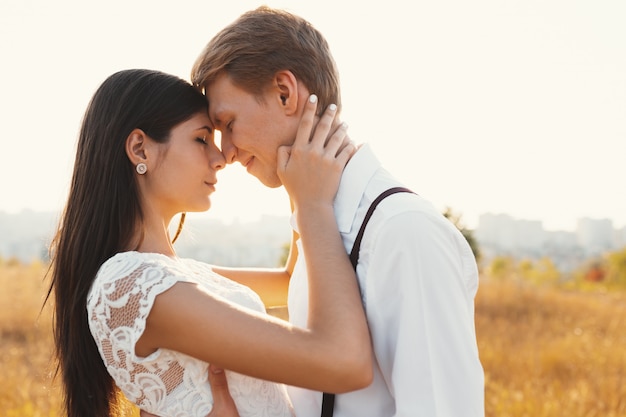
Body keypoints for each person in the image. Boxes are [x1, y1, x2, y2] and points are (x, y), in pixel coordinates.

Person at [191, 6, 485, 417]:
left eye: (229, 122)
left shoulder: (403, 232)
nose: (227, 152)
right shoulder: (320, 224)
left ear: (284, 92)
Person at [45, 68, 373, 417]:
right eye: (202, 139)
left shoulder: (173, 277)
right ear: (140, 149)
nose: (220, 158)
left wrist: (292, 168)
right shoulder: (132, 283)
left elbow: (291, 280)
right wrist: (313, 204)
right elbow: (345, 362)